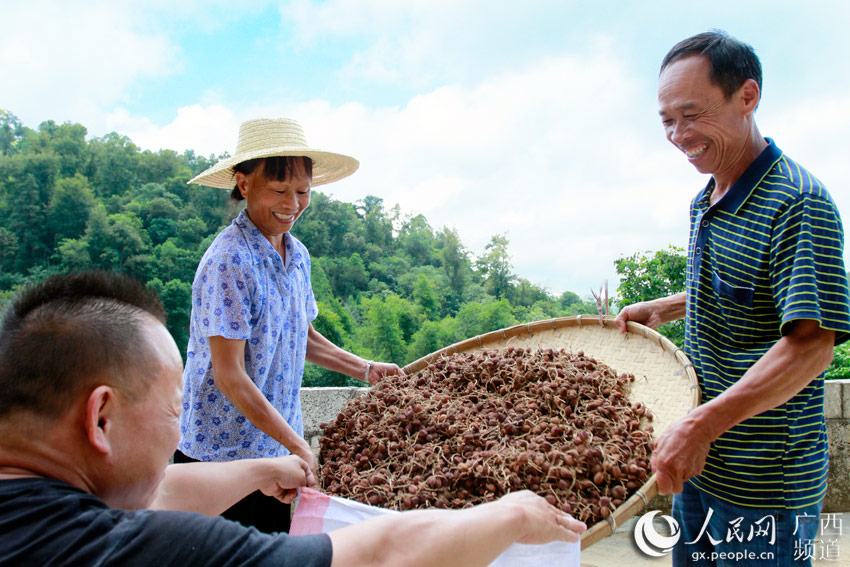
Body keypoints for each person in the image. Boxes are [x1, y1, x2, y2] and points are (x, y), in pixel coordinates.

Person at [0, 270, 586, 566]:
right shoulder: (134, 552)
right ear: (101, 416)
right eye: (176, 406)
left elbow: (162, 490)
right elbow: (377, 553)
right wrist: (510, 515)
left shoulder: (42, 506)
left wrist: (260, 468)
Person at [615, 31, 850, 566]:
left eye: (692, 115)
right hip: (702, 465)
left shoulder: (798, 203)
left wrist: (699, 424)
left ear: (747, 96)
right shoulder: (707, 198)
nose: (679, 135)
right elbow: (745, 284)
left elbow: (811, 347)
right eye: (667, 120)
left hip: (766, 483)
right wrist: (668, 307)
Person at [176, 118, 403, 533]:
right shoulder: (229, 261)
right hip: (221, 458)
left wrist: (367, 370)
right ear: (244, 186)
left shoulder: (296, 254)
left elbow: (301, 335)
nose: (293, 204)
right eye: (279, 191)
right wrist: (297, 444)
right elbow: (230, 376)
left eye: (302, 192)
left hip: (274, 450)